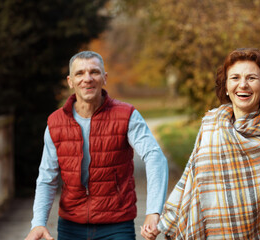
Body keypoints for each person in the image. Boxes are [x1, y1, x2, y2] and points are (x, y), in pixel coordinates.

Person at [141, 48, 260, 239]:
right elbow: (190, 176)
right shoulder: (211, 125)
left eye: (252, 78)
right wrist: (161, 221)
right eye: (235, 78)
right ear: (226, 87)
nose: (243, 85)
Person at [25, 51, 168, 240]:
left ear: (104, 78)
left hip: (117, 225)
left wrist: (153, 211)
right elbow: (47, 177)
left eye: (94, 72)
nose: (87, 79)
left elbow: (154, 157)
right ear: (70, 81)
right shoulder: (55, 122)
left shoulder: (127, 115)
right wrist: (38, 223)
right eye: (80, 73)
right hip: (71, 227)